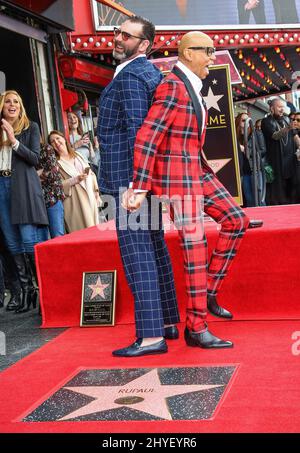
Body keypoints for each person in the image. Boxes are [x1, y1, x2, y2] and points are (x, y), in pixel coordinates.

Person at [123, 31, 250, 354]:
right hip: (179, 181)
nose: (212, 57)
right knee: (194, 250)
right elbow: (147, 138)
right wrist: (140, 187)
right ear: (188, 53)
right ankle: (196, 326)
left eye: (213, 50)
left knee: (236, 220)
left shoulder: (192, 85)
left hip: (196, 172)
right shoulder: (172, 87)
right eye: (207, 51)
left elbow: (189, 139)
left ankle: (208, 290)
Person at [97, 15, 180, 358]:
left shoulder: (131, 76)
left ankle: (150, 337)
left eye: (127, 36)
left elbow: (137, 132)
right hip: (140, 180)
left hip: (128, 180)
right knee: (154, 247)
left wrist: (135, 184)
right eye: (117, 32)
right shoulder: (146, 73)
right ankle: (166, 322)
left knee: (137, 255)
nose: (118, 38)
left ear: (144, 44)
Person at [0, 90, 48, 313]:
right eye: (8, 101)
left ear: (21, 107)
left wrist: (13, 140)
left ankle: (40, 293)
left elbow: (35, 159)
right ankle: (25, 292)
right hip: (2, 187)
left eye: (16, 102)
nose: (12, 105)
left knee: (28, 241)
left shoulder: (30, 127)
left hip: (22, 187)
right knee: (11, 243)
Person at [48, 130, 100, 233]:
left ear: (64, 139)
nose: (57, 143)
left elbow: (92, 174)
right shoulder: (55, 164)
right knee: (82, 235)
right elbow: (57, 186)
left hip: (90, 197)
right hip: (75, 203)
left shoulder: (77, 155)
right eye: (53, 142)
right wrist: (75, 180)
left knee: (95, 233)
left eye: (58, 138)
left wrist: (97, 192)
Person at [261, 98, 299, 205]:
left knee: (292, 190)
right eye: (279, 107)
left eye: (283, 107)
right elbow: (275, 136)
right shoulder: (266, 121)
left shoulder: (287, 119)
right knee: (279, 193)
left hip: (290, 161)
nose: (282, 109)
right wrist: (288, 128)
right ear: (272, 108)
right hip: (276, 162)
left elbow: (295, 135)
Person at [37, 142, 66, 238]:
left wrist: (35, 175)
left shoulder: (46, 148)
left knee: (57, 234)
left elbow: (53, 172)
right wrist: (39, 173)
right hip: (36, 200)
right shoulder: (25, 153)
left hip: (52, 197)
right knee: (42, 238)